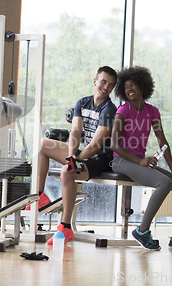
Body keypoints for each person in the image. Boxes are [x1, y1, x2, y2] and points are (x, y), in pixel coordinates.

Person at [110, 66, 172, 251]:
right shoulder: (123, 110)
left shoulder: (152, 112)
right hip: (120, 161)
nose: (129, 90)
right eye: (126, 87)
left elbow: (162, 140)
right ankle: (142, 231)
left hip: (137, 161)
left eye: (133, 85)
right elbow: (114, 145)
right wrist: (140, 161)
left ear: (143, 86)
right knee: (164, 183)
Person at [32, 66, 118, 244]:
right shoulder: (82, 103)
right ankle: (40, 196)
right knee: (41, 145)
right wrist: (72, 155)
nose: (106, 87)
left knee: (66, 171)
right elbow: (76, 131)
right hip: (83, 154)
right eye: (103, 81)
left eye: (111, 85)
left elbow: (96, 144)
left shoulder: (110, 109)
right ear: (95, 81)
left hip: (101, 159)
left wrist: (74, 161)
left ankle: (65, 228)